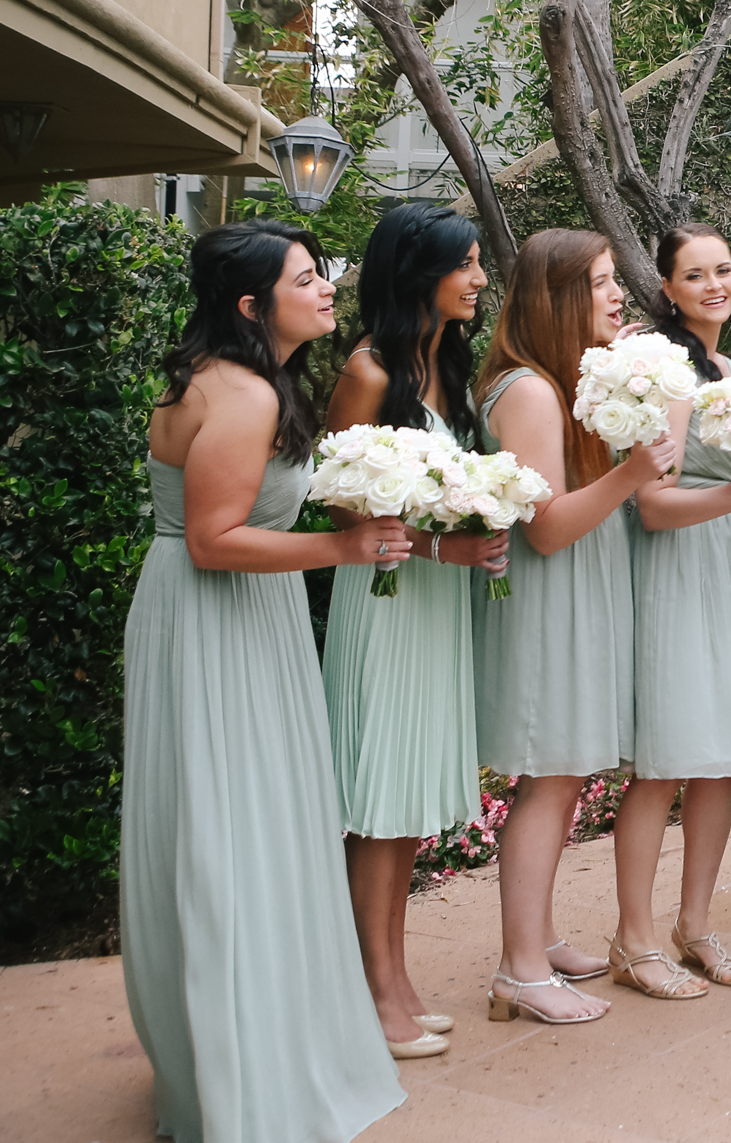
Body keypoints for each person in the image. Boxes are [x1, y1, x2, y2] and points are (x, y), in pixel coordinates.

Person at [126, 219, 409, 1139]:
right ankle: (240, 1066)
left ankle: (246, 1043)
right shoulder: (241, 393)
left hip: (247, 616)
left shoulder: (250, 381)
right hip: (216, 620)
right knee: (230, 831)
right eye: (306, 278)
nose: (328, 287)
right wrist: (347, 543)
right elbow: (213, 541)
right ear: (253, 305)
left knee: (247, 825)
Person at [474, 230, 680, 1023]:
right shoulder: (527, 391)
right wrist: (633, 471)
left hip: (575, 593)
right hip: (547, 598)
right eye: (599, 283)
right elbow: (548, 527)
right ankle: (519, 969)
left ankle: (541, 935)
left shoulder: (561, 383)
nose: (617, 292)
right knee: (549, 777)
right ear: (558, 296)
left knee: (560, 778)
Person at [320, 202, 509, 1056]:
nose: (477, 278)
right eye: (463, 263)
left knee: (402, 812)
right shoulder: (368, 371)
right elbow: (340, 502)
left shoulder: (447, 371)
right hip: (387, 602)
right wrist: (447, 541)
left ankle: (391, 978)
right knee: (378, 802)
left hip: (437, 603)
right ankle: (370, 989)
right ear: (416, 273)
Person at [614, 225, 731, 998]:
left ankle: (693, 923)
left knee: (721, 758)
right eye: (695, 273)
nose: (715, 283)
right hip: (680, 564)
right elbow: (652, 501)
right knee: (667, 760)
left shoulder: (725, 364)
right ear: (668, 289)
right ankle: (633, 936)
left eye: (724, 267)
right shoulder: (669, 368)